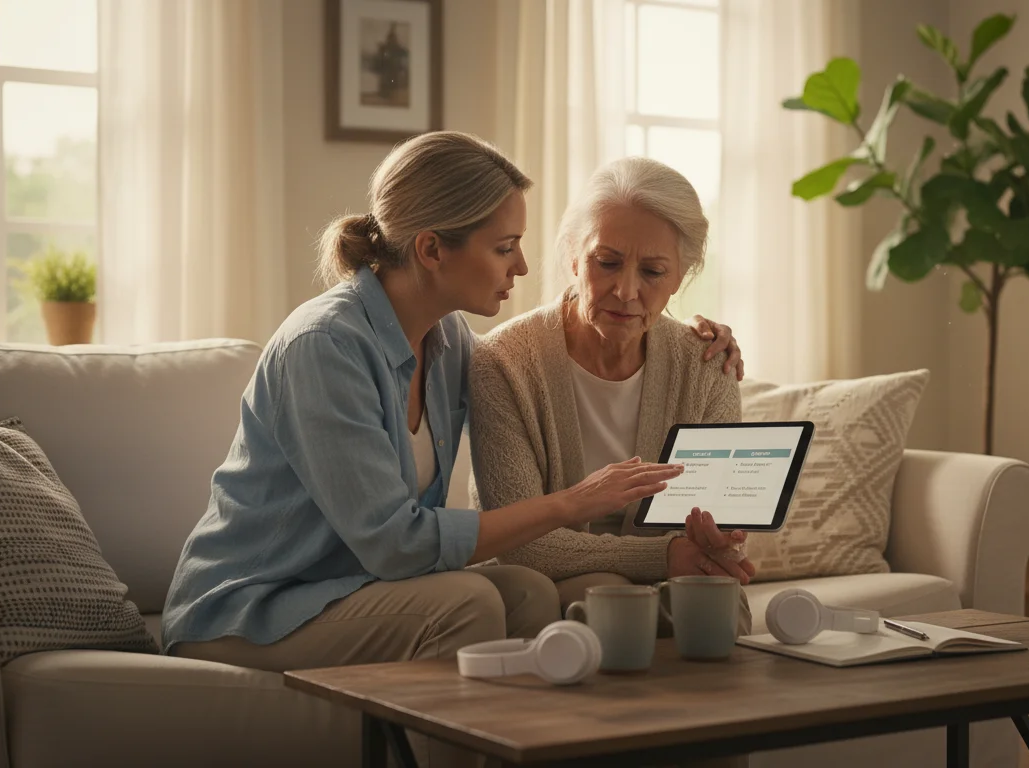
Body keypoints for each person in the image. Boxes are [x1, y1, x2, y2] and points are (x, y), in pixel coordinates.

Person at [161, 132, 739, 767]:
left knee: (525, 593)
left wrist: (708, 338)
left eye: (654, 271)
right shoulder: (324, 346)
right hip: (253, 607)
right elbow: (395, 543)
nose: (522, 267)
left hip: (356, 592)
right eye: (505, 248)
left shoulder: (449, 343)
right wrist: (571, 502)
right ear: (432, 249)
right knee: (469, 601)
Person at [467, 156, 757, 630]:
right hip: (561, 578)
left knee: (718, 609)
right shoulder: (503, 362)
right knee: (611, 605)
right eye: (608, 263)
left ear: (680, 277)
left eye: (653, 272)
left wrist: (720, 540)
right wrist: (664, 556)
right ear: (573, 259)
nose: (625, 291)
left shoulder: (707, 364)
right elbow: (522, 542)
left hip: (676, 575)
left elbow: (723, 533)